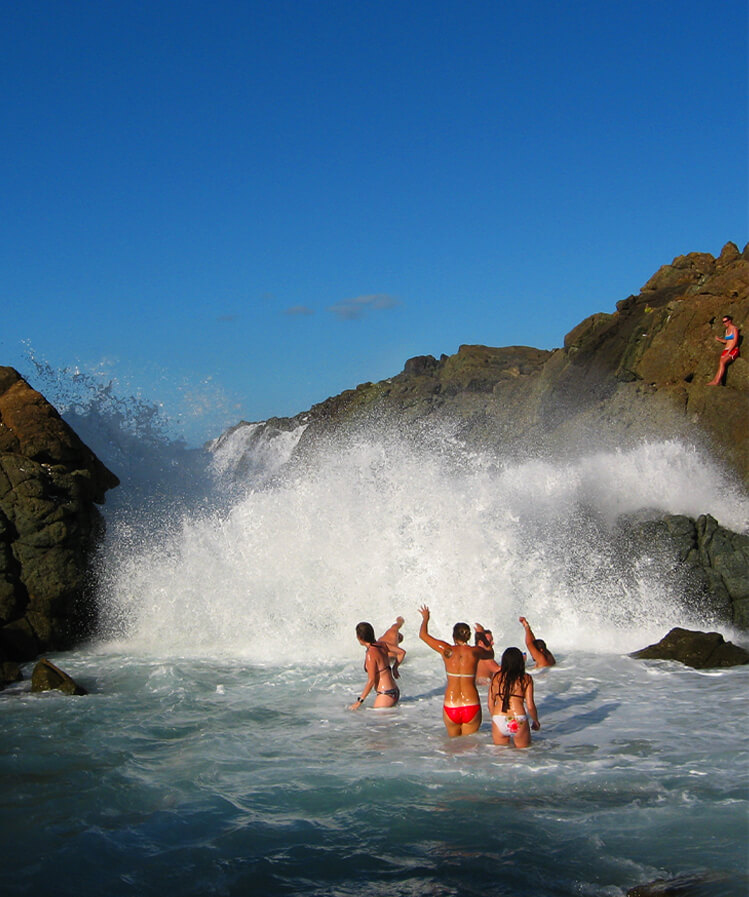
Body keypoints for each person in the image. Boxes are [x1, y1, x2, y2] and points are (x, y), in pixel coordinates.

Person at [418, 605, 494, 737]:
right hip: (471, 704)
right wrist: (481, 636)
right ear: (469, 636)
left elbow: (423, 635)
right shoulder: (474, 652)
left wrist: (426, 618)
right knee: (469, 749)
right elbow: (490, 654)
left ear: (453, 636)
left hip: (451, 704)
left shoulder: (447, 650)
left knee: (453, 747)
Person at [488, 647, 540, 748]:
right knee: (523, 755)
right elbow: (530, 706)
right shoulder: (526, 678)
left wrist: (496, 719)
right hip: (518, 718)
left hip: (498, 717)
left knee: (500, 759)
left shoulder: (496, 677)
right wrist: (535, 721)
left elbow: (490, 704)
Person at [348, 622, 400, 710]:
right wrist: (395, 668)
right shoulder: (382, 645)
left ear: (359, 637)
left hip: (385, 694)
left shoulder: (370, 654)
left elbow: (371, 680)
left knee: (376, 722)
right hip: (394, 691)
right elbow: (402, 652)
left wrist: (359, 701)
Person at [708, 315, 740, 386]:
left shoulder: (734, 329)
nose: (724, 323)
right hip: (726, 349)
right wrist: (719, 339)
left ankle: (717, 382)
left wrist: (728, 352)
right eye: (723, 322)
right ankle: (715, 380)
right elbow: (727, 341)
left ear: (730, 321)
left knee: (722, 362)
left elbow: (735, 341)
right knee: (721, 363)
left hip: (733, 350)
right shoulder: (726, 330)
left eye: (725, 321)